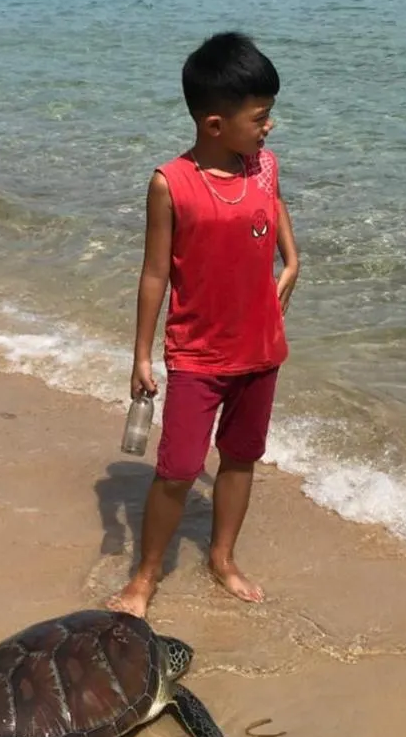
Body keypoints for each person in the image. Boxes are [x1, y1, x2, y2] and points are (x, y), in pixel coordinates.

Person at [108, 31, 299, 619]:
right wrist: (142, 355)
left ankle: (222, 557)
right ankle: (145, 577)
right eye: (259, 117)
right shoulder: (171, 184)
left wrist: (292, 263)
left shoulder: (263, 167)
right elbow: (153, 275)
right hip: (197, 356)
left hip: (260, 351)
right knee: (179, 470)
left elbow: (277, 212)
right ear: (214, 124)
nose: (269, 127)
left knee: (240, 459)